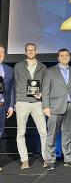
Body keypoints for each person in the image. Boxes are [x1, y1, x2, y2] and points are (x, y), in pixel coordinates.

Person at [42, 48, 71, 171]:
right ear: (58, 58)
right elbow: (45, 90)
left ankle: (68, 159)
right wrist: (45, 106)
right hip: (54, 107)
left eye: (66, 55)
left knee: (68, 135)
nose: (64, 57)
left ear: (70, 57)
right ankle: (50, 160)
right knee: (52, 135)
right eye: (62, 55)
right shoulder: (50, 71)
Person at [14, 43, 47, 169]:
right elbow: (16, 85)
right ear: (25, 52)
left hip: (38, 103)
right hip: (22, 102)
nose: (31, 52)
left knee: (43, 132)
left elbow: (44, 85)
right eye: (28, 50)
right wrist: (16, 102)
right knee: (21, 133)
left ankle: (46, 158)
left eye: (33, 50)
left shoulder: (42, 67)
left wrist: (42, 94)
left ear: (36, 51)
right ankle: (24, 160)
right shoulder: (18, 66)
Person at [0, 44, 14, 172]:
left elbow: (12, 90)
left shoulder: (9, 70)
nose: (0, 55)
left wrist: (11, 106)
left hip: (2, 107)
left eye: (2, 53)